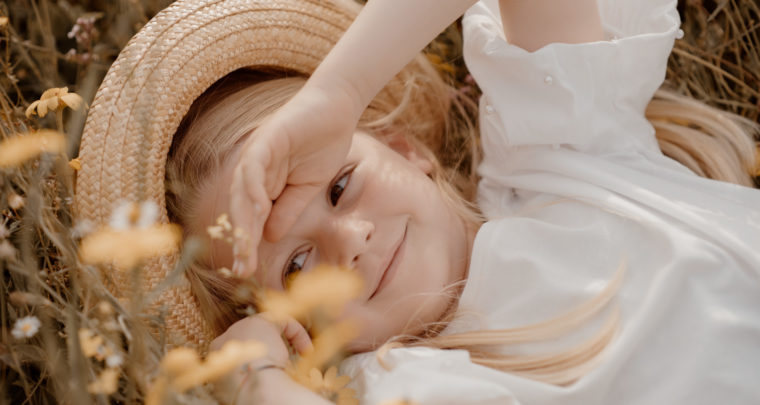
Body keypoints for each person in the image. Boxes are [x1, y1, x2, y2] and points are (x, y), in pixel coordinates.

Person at [82, 0, 760, 403]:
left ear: (407, 149)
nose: (348, 242)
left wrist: (339, 93)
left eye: (340, 185)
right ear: (294, 325)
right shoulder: (401, 379)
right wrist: (256, 375)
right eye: (294, 265)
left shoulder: (559, 160)